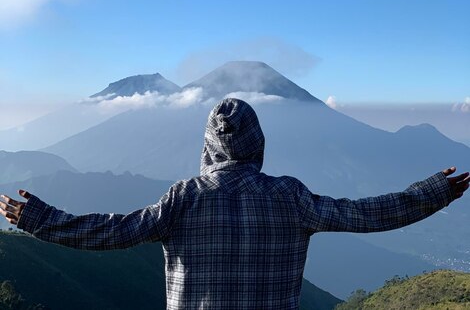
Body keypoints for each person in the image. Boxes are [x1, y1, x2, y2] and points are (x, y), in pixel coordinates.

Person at [1, 98, 469, 310]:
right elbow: (367, 214)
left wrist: (42, 220)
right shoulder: (290, 197)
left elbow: (113, 231)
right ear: (258, 143)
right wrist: (434, 191)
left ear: (207, 147)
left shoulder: (183, 198)